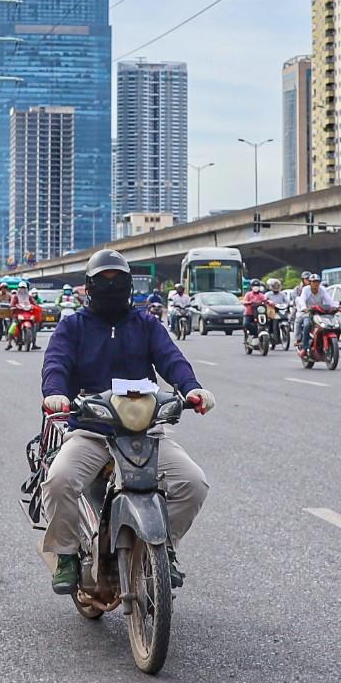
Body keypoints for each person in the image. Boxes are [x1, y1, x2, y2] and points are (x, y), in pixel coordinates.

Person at [37, 249, 215, 594]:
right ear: (89, 286)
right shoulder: (72, 326)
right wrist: (55, 394)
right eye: (103, 280)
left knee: (193, 484)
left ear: (129, 284)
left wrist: (192, 389)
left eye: (117, 280)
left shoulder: (146, 324)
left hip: (145, 431)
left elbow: (172, 360)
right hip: (92, 430)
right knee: (59, 480)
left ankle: (165, 549)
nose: (111, 286)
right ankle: (67, 554)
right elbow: (55, 364)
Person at [295, 269, 341, 360]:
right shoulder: (306, 289)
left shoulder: (322, 290)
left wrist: (336, 307)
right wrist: (304, 308)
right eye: (313, 282)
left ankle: (332, 346)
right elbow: (302, 299)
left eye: (317, 282)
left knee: (335, 325)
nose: (315, 284)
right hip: (309, 312)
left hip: (321, 312)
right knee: (307, 324)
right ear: (310, 283)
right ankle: (304, 348)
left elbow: (329, 300)